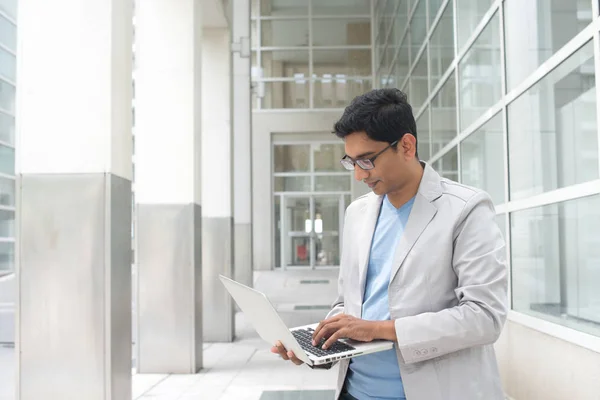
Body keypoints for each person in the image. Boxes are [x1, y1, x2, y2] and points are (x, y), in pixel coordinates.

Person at [271, 88, 508, 400]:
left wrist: (379, 329)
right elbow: (348, 302)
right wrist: (320, 343)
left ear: (406, 146)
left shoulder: (466, 209)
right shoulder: (357, 213)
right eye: (351, 162)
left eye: (367, 161)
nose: (358, 175)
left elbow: (484, 317)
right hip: (354, 392)